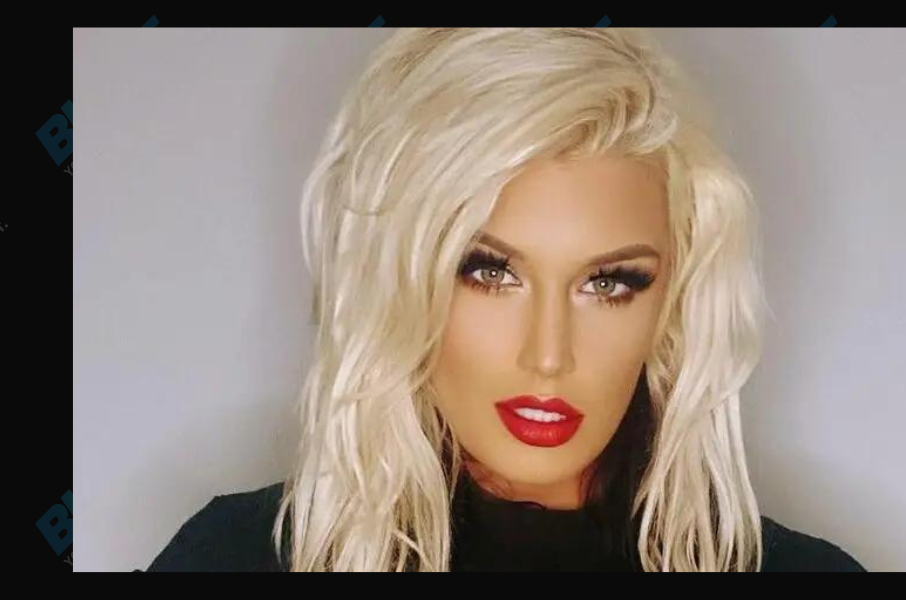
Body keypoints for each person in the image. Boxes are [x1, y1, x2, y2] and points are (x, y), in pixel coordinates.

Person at [144, 27, 866, 572]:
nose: (548, 355)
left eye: (608, 283)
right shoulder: (237, 557)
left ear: (672, 302)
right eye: (489, 273)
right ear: (400, 275)